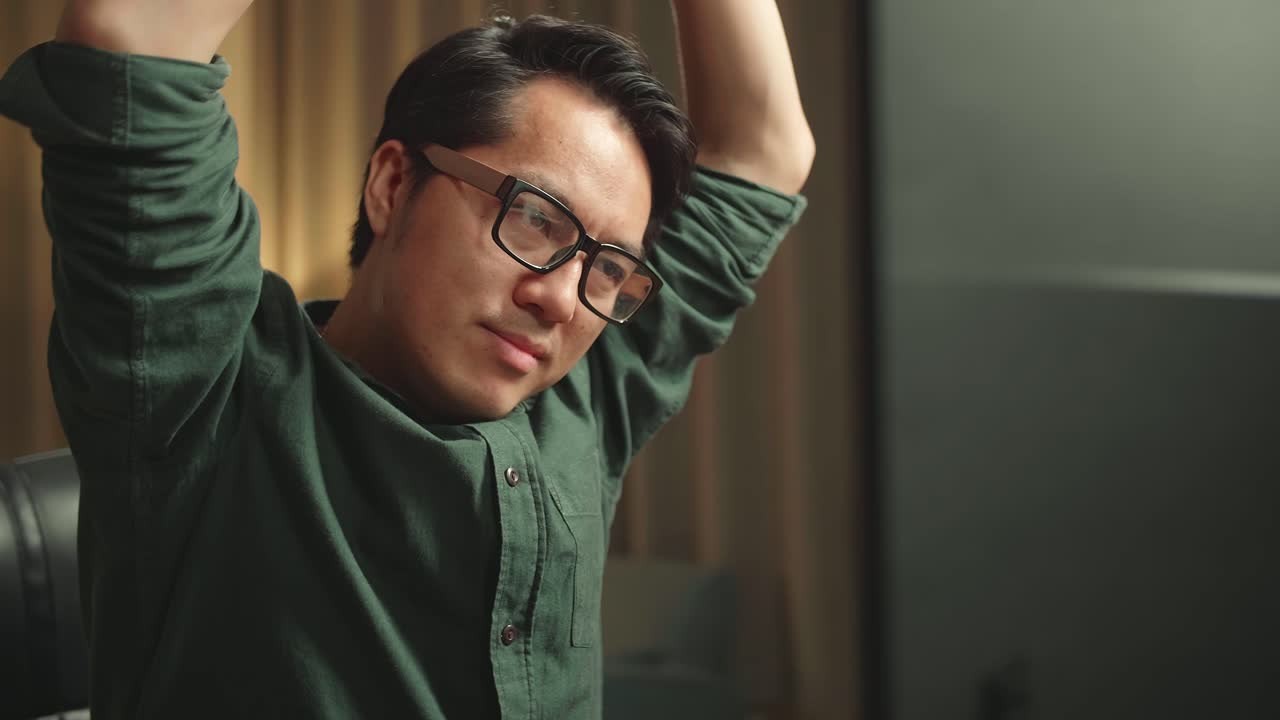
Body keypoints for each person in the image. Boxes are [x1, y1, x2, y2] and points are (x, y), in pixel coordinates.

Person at [0, 0, 813, 716]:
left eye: (606, 267)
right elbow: (133, 33)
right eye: (535, 218)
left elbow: (765, 150)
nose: (561, 300)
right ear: (393, 184)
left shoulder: (584, 393)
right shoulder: (211, 390)